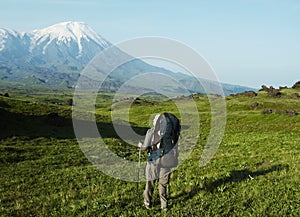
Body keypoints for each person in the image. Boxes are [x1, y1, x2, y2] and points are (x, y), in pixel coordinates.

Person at [138, 113, 179, 210]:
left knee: (150, 182)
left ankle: (147, 202)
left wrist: (140, 145)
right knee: (163, 184)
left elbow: (144, 147)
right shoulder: (171, 133)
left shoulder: (151, 132)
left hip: (153, 159)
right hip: (167, 159)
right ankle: (164, 205)